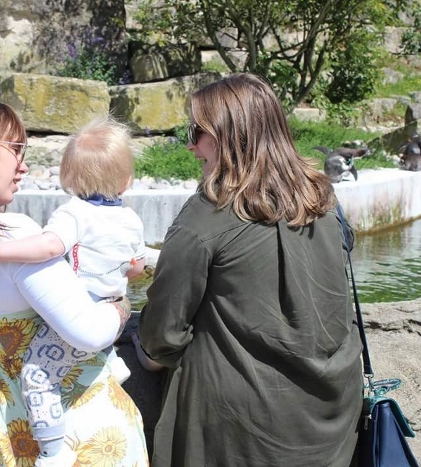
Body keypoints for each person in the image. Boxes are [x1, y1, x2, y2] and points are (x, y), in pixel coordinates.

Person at [0, 97, 148, 467]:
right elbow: (91, 333)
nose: (23, 166)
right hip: (70, 426)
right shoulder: (13, 235)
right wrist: (121, 306)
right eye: (15, 149)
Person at [135, 73, 364, 466]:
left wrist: (145, 347)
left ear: (228, 136)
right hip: (333, 421)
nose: (190, 145)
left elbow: (163, 336)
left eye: (196, 132)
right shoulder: (324, 200)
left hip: (239, 433)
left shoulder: (205, 216)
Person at [0, 116, 146, 462]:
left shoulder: (74, 212)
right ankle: (110, 360)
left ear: (68, 176)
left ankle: (51, 451)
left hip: (84, 311)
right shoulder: (131, 218)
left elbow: (50, 246)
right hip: (113, 306)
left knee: (37, 375)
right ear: (126, 181)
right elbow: (136, 267)